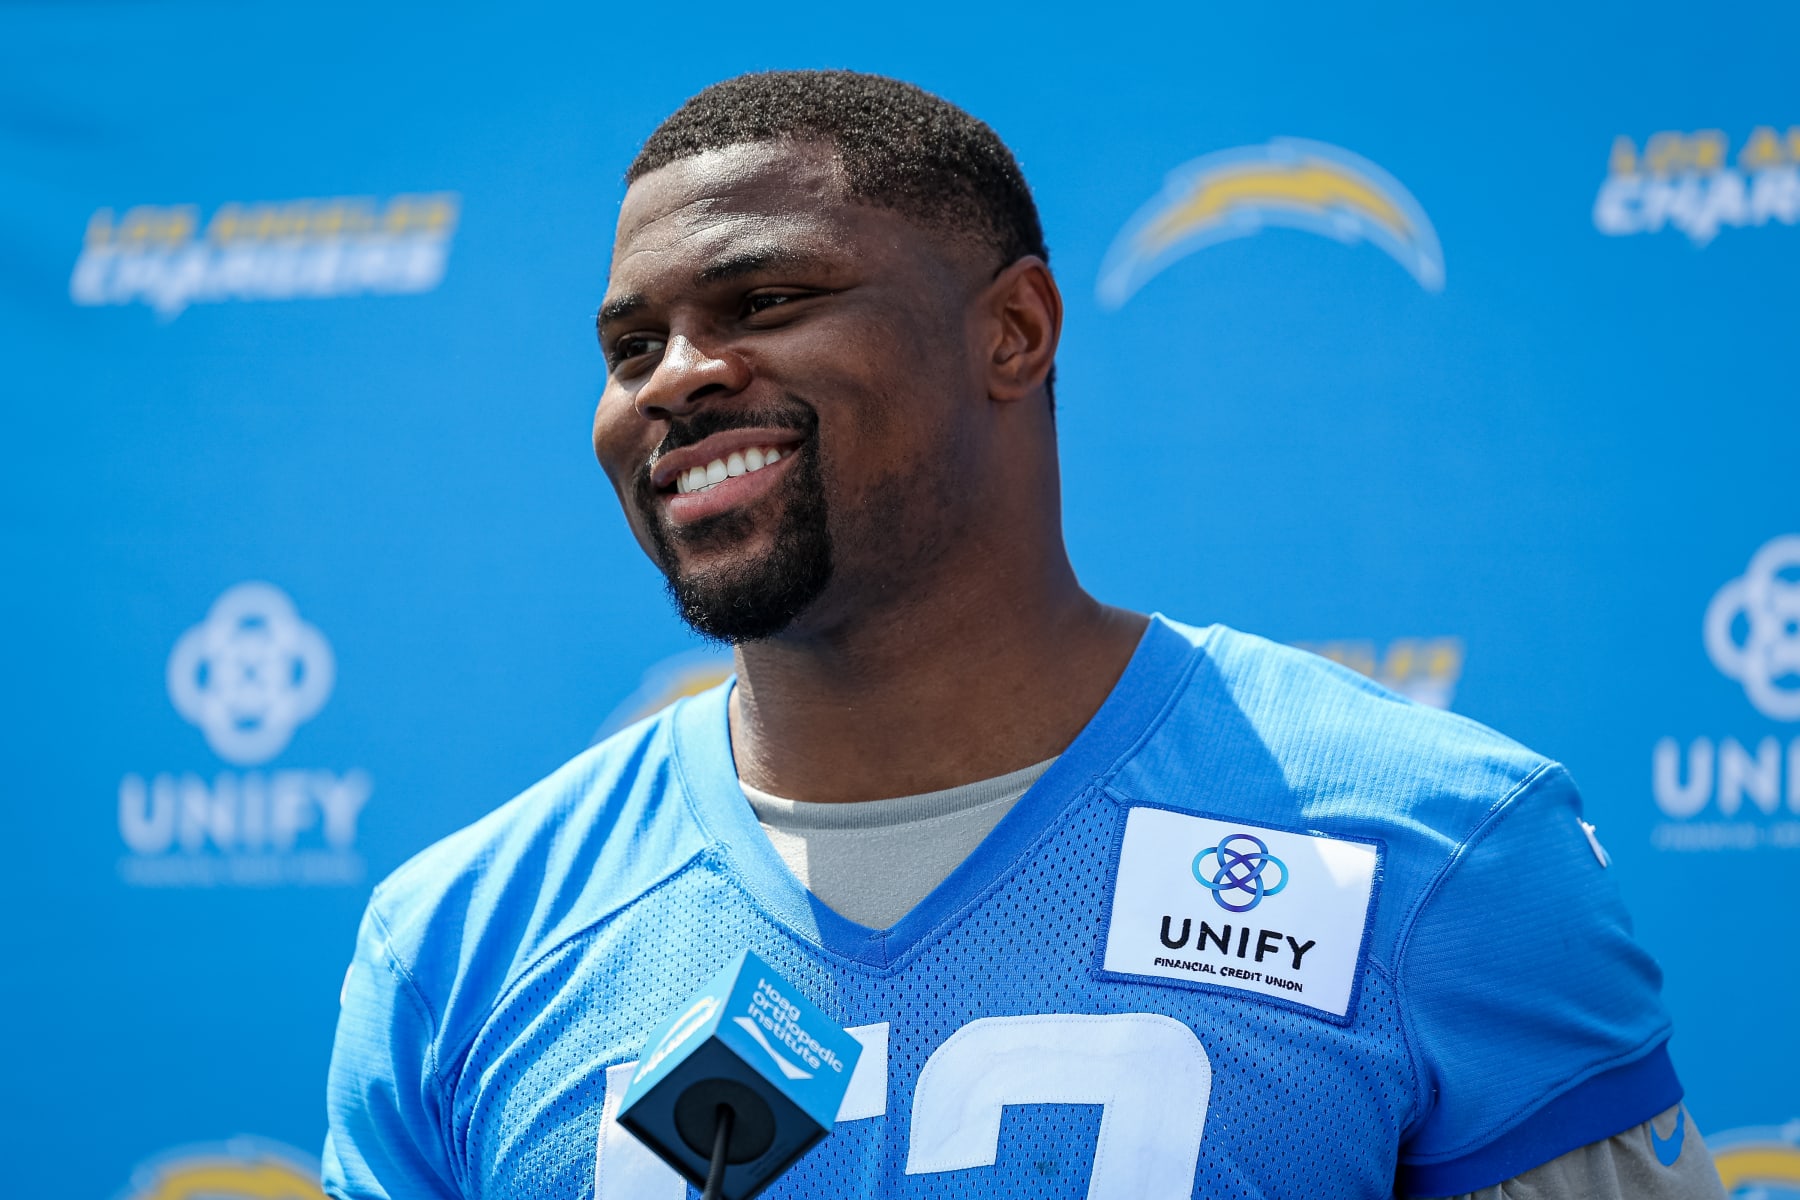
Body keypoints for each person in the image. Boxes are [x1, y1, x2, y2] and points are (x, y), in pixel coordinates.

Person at [322, 70, 1725, 1200]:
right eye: (634, 347)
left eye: (767, 302)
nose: (679, 379)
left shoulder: (1432, 854)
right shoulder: (464, 939)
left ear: (1015, 332)